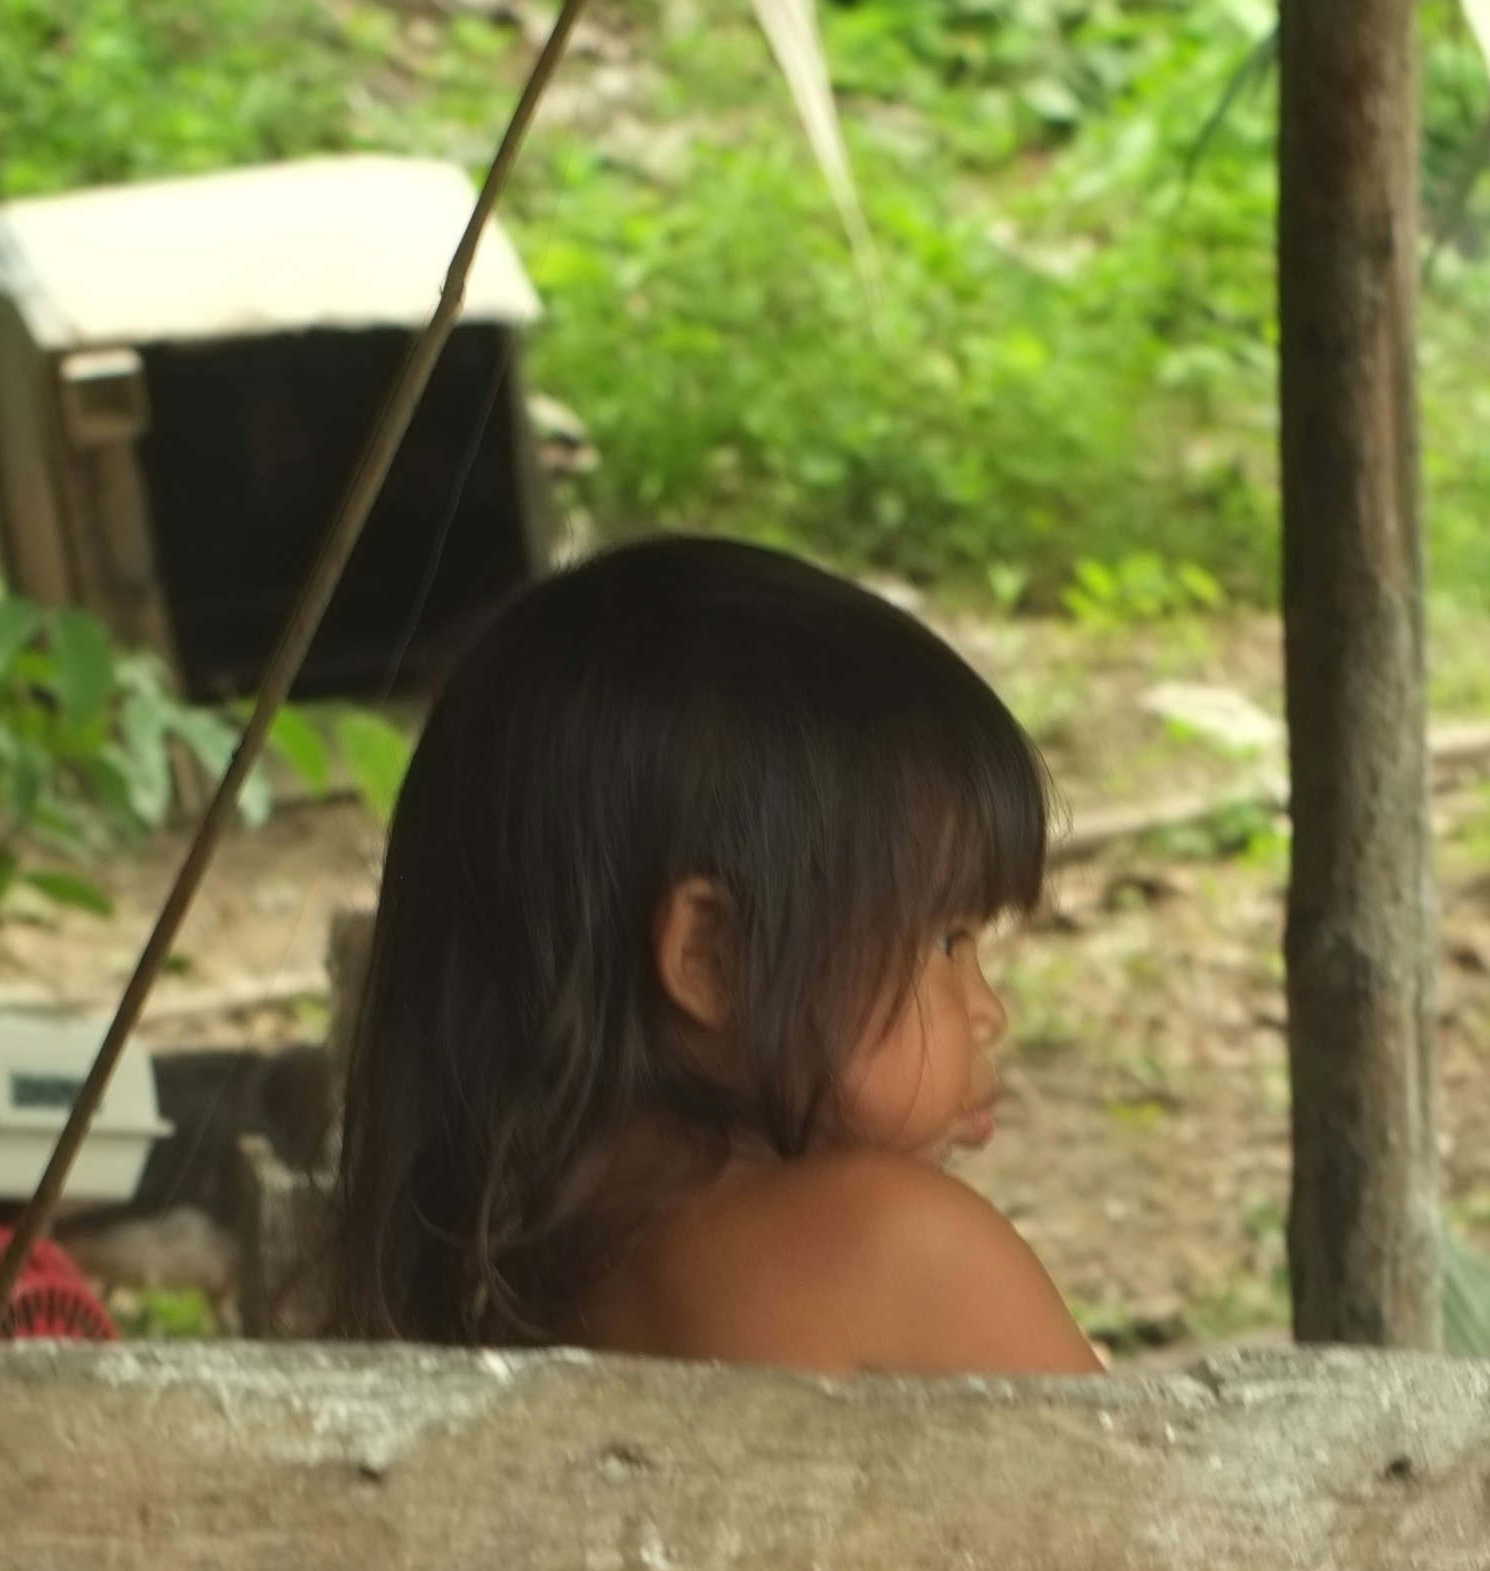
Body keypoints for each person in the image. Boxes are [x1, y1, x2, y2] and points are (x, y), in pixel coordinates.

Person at [331, 534, 1101, 1374]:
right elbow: (1161, 1497)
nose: (987, 1010)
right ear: (710, 957)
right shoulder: (894, 1244)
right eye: (945, 939)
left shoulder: (515, 1287)